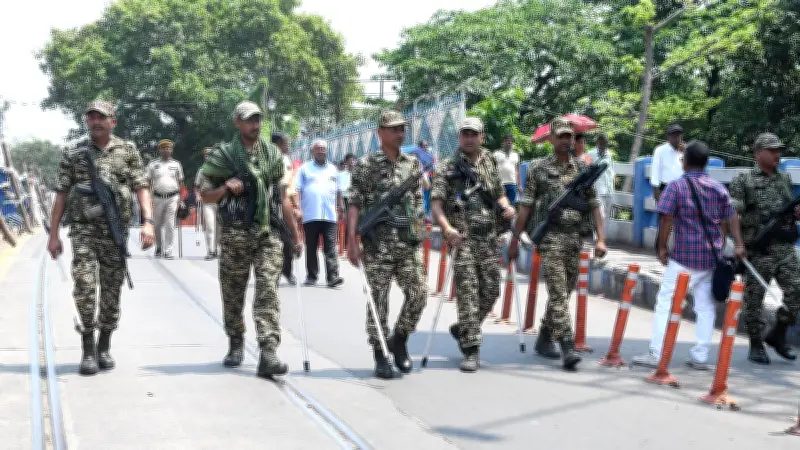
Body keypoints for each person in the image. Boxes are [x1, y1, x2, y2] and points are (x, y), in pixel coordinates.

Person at [47, 100, 156, 376]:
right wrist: (54, 234)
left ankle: (104, 344)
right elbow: (61, 193)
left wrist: (148, 222)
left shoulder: (127, 150)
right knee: (84, 285)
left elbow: (141, 186)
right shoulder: (74, 153)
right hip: (83, 230)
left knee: (111, 289)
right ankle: (87, 347)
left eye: (101, 117)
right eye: (91, 117)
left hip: (115, 232)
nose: (95, 121)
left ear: (113, 121)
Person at [199, 100, 302, 378]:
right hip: (234, 234)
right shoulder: (223, 156)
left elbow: (282, 198)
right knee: (233, 293)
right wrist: (225, 188)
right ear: (237, 122)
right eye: (248, 120)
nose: (254, 125)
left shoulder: (272, 155)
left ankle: (268, 350)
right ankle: (235, 340)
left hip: (267, 232)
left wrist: (294, 234)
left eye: (258, 120)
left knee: (268, 290)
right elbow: (204, 195)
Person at [632, 141, 745, 370]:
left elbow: (666, 218)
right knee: (705, 306)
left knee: (666, 301)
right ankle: (700, 356)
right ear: (705, 163)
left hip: (684, 257)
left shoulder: (676, 187)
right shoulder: (718, 188)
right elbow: (731, 217)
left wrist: (662, 248)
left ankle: (656, 352)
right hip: (712, 257)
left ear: (685, 162)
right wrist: (738, 244)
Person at [507, 117, 607, 371]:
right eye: (561, 136)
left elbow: (594, 206)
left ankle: (543, 339)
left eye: (569, 136)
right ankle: (567, 346)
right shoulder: (538, 168)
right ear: (551, 139)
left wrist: (601, 239)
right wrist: (515, 238)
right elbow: (527, 205)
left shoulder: (582, 169)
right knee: (558, 293)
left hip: (575, 239)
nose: (565, 141)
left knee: (565, 292)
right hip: (550, 238)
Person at [347, 110, 428, 379]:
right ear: (380, 132)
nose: (399, 133)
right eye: (393, 129)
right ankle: (381, 354)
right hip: (377, 246)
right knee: (378, 302)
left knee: (419, 293)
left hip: (407, 245)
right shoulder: (366, 165)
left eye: (402, 128)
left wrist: (419, 234)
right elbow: (355, 204)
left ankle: (399, 340)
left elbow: (417, 203)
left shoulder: (413, 164)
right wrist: (352, 241)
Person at [431, 117, 516, 372]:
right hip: (463, 238)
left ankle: (463, 329)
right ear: (459, 137)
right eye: (464, 134)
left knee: (491, 291)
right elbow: (436, 204)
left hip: (489, 237)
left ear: (482, 137)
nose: (468, 138)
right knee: (467, 294)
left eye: (473, 134)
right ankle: (471, 349)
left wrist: (506, 207)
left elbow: (498, 191)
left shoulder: (490, 160)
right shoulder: (447, 166)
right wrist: (447, 230)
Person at [728, 132, 800, 365]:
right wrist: (738, 243)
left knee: (797, 291)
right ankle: (756, 344)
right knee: (754, 300)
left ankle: (778, 334)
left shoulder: (784, 179)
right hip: (758, 250)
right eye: (772, 150)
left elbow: (789, 212)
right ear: (758, 154)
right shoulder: (744, 181)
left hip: (784, 248)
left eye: (779, 150)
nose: (777, 154)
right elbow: (732, 214)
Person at [295, 139, 344, 288]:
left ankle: (332, 277)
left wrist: (341, 207)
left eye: (323, 148)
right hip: (311, 214)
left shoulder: (333, 169)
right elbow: (297, 189)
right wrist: (298, 207)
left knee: (330, 246)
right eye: (318, 148)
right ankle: (311, 276)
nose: (321, 151)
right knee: (311, 247)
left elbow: (339, 190)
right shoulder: (304, 169)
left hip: (329, 215)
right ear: (313, 152)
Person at [147, 139, 184, 259]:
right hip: (157, 197)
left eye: (169, 148)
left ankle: (168, 250)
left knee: (170, 224)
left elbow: (180, 182)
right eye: (164, 148)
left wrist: (181, 199)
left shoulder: (177, 164)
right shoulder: (153, 164)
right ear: (160, 150)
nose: (166, 150)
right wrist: (148, 197)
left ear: (172, 150)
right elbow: (148, 181)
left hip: (173, 197)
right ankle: (158, 247)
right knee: (157, 225)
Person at [272, 132, 300, 284]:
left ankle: (287, 272)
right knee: (277, 241)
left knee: (287, 240)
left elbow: (290, 186)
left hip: (287, 203)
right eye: (285, 143)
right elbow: (281, 191)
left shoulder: (286, 159)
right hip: (276, 205)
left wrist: (295, 205)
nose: (288, 146)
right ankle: (273, 273)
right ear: (277, 144)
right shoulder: (272, 160)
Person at [194, 147, 220, 260]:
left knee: (219, 228)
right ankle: (210, 251)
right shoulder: (201, 170)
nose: (208, 157)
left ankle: (216, 249)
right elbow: (196, 186)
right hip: (207, 201)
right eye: (206, 155)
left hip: (220, 201)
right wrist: (197, 195)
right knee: (210, 226)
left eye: (210, 155)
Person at [650, 124, 685, 202]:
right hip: (665, 188)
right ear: (668, 137)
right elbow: (655, 171)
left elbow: (690, 169)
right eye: (674, 136)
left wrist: (685, 153)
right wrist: (656, 190)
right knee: (665, 214)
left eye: (679, 136)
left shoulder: (685, 150)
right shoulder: (660, 150)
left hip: (683, 189)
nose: (677, 138)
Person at [588, 133, 615, 219]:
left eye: (605, 142)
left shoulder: (609, 154)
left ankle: (603, 232)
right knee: (599, 215)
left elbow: (611, 170)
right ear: (597, 143)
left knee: (607, 216)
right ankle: (596, 232)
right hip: (597, 189)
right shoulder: (590, 154)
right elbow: (587, 170)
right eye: (601, 142)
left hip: (609, 189)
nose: (603, 144)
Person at [492, 133, 521, 205]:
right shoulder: (496, 154)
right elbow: (492, 169)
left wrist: (519, 185)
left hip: (512, 184)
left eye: (511, 141)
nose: (509, 143)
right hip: (500, 184)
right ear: (504, 142)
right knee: (501, 206)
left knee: (511, 206)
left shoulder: (516, 155)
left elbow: (517, 170)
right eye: (507, 141)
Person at [337, 153, 355, 253]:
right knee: (346, 221)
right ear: (346, 162)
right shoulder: (341, 175)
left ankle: (353, 244)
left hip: (355, 199)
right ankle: (344, 245)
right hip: (345, 199)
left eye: (354, 160)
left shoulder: (358, 173)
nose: (352, 162)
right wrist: (341, 206)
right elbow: (340, 191)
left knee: (355, 222)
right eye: (350, 160)